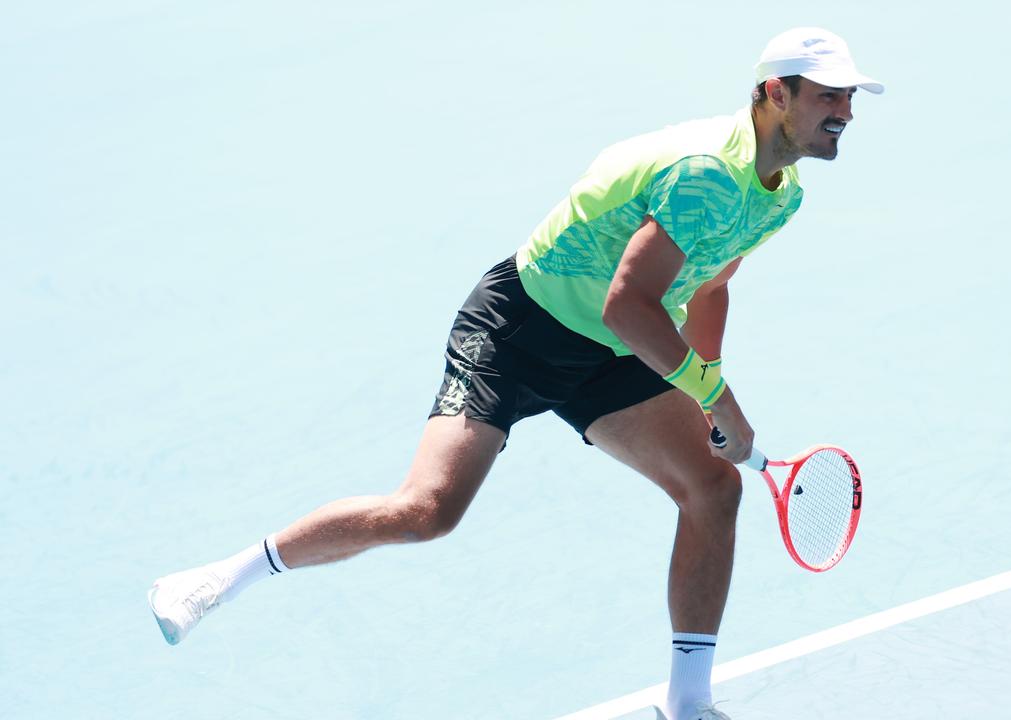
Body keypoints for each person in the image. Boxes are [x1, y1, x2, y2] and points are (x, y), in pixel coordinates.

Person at [147, 26, 882, 720]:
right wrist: (717, 398)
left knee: (713, 488)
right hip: (519, 330)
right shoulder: (706, 177)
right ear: (774, 94)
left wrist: (710, 380)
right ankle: (222, 577)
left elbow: (710, 286)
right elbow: (632, 303)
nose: (845, 111)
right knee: (428, 511)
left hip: (609, 353)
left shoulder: (779, 198)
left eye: (850, 97)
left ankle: (686, 707)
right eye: (829, 94)